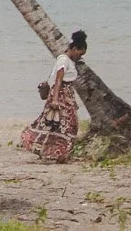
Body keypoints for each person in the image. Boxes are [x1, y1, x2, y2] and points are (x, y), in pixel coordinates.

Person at [20, 29, 87, 163]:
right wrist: (55, 99)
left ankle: (59, 153)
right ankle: (55, 152)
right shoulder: (64, 61)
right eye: (80, 53)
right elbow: (58, 80)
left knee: (61, 126)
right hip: (61, 96)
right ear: (74, 48)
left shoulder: (68, 61)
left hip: (66, 95)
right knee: (64, 125)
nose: (80, 56)